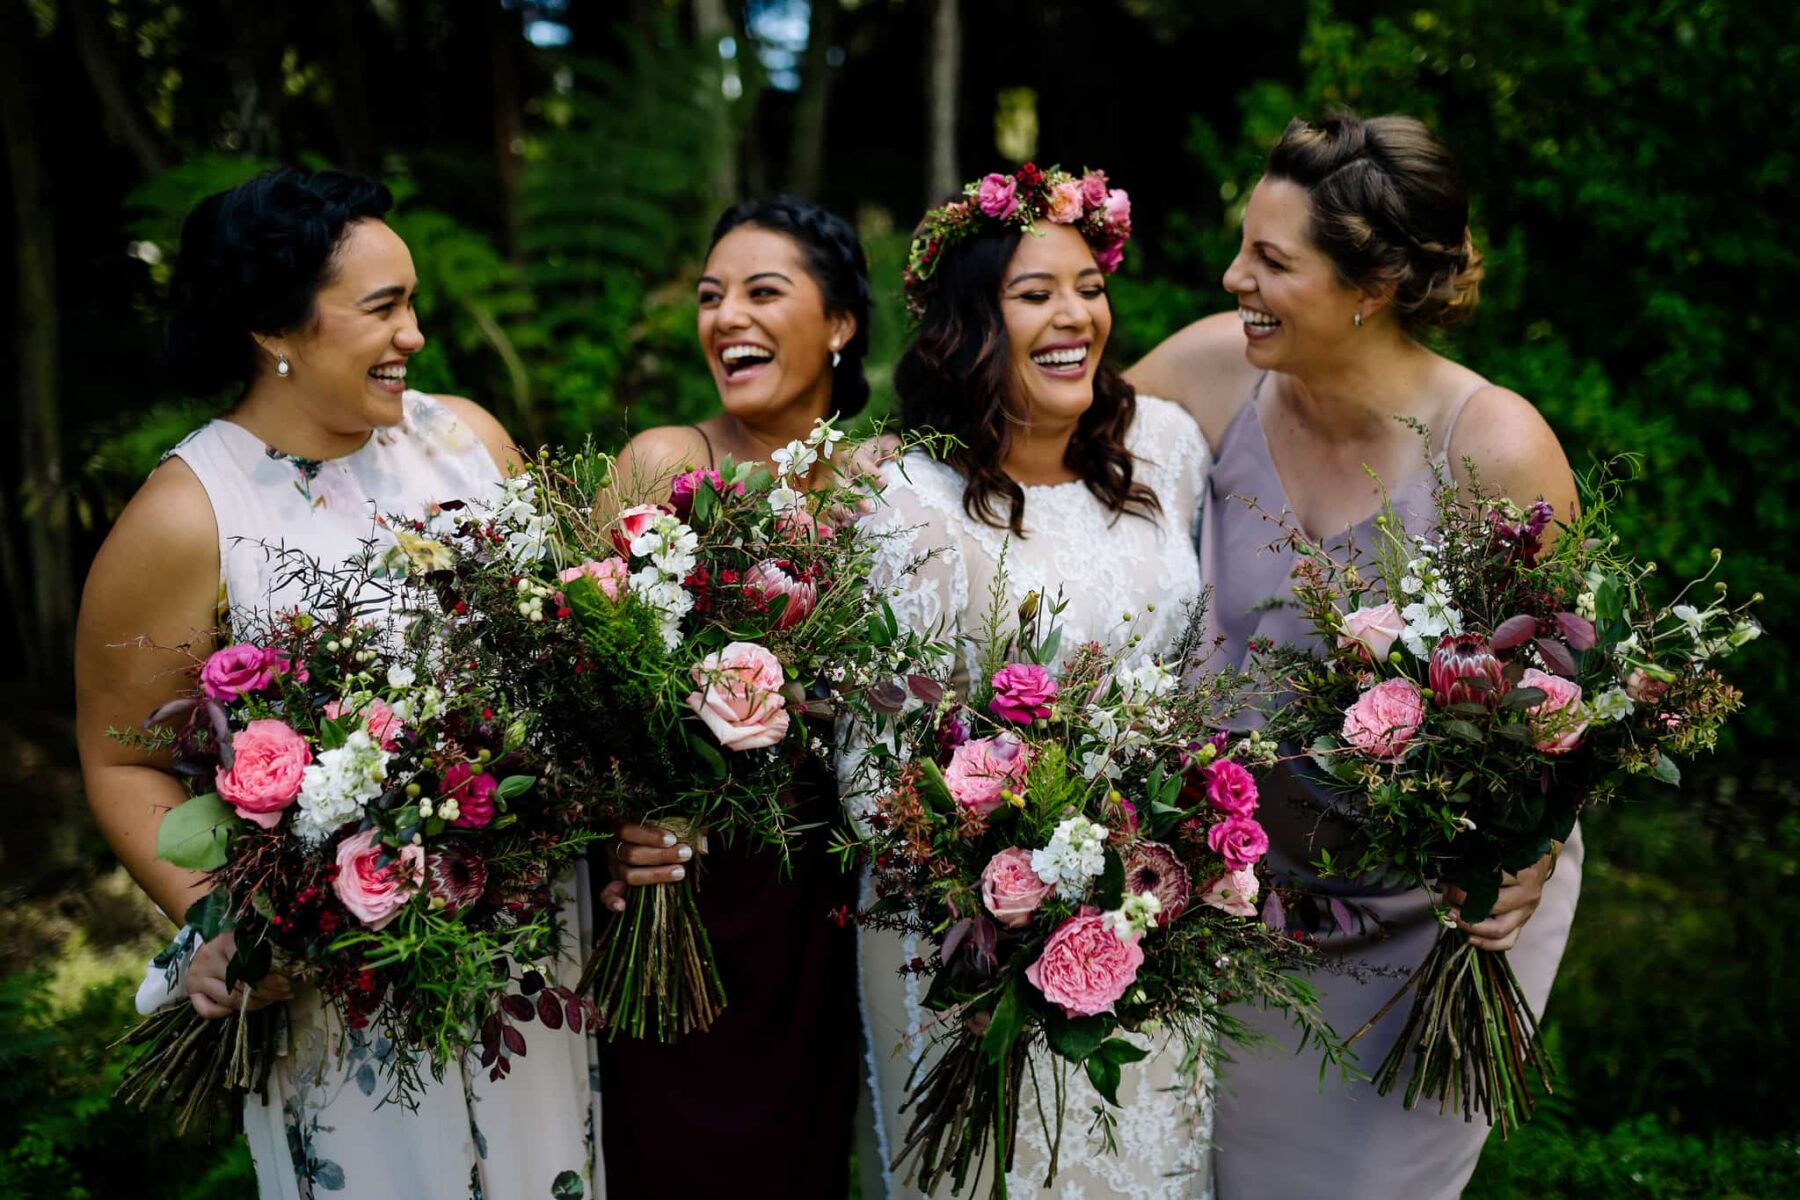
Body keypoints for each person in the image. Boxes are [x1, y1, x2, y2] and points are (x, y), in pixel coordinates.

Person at [74, 167, 600, 1198]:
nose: (413, 334)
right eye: (382, 307)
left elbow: (568, 658)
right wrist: (219, 921)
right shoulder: (189, 514)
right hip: (338, 984)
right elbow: (115, 757)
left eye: (413, 303)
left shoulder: (468, 441)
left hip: (531, 955)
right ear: (277, 325)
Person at [1126, 112, 1584, 1199]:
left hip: (1434, 927)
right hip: (1241, 907)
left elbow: (1566, 698)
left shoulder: (1495, 446)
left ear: (1370, 283)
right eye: (1245, 245)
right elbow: (1032, 457)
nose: (1234, 275)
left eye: (1272, 261)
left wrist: (1526, 847)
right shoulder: (1210, 372)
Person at [852, 165, 1213, 1199]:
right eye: (1033, 293)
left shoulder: (1167, 450)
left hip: (1153, 921)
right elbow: (874, 781)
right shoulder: (909, 503)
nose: (1074, 316)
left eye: (1090, 287)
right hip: (969, 938)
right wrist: (1020, 891)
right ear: (968, 322)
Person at [594, 196, 871, 1200]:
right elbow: (581, 683)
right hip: (686, 894)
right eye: (712, 298)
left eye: (763, 291)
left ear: (840, 322)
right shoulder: (665, 463)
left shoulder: (885, 485)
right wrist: (625, 819)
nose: (726, 318)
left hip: (827, 903)